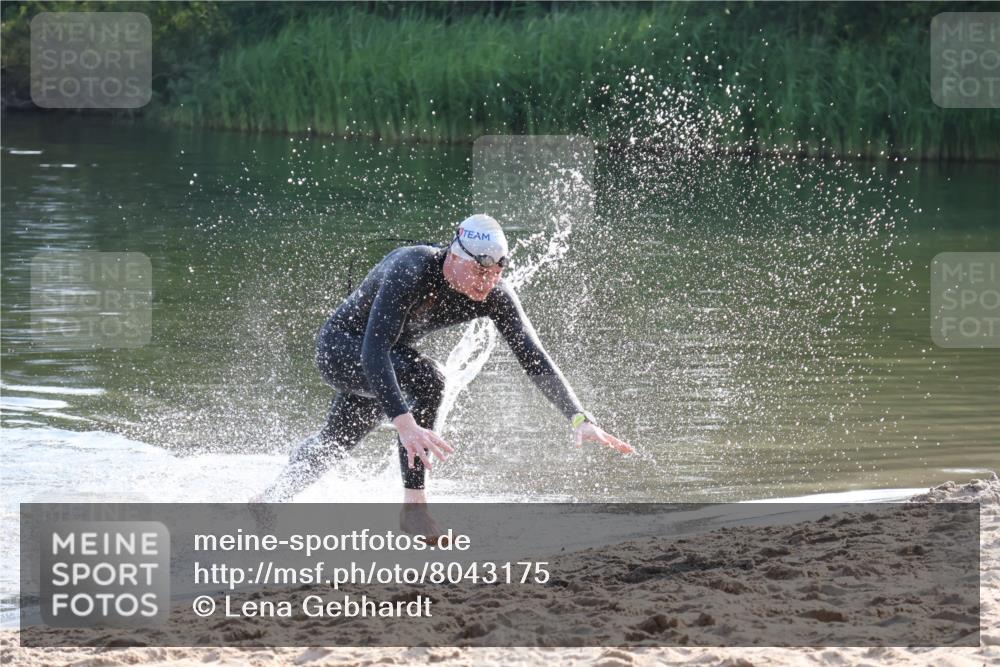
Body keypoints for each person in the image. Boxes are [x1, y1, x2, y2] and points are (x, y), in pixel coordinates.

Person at [252, 214, 632, 535]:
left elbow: (533, 356)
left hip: (387, 364)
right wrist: (405, 424)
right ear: (454, 255)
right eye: (479, 271)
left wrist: (579, 416)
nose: (486, 283)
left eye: (496, 273)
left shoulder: (494, 294)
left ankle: (266, 501)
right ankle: (414, 510)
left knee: (335, 444)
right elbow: (374, 350)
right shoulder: (410, 268)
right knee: (430, 380)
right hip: (342, 349)